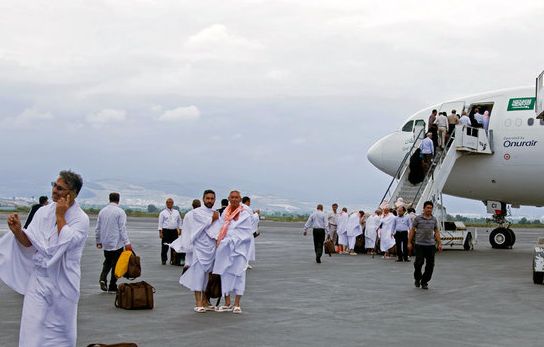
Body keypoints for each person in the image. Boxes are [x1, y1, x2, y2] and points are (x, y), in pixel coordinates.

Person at [0, 170, 89, 347]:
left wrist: (60, 216)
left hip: (64, 282)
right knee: (31, 329)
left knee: (62, 333)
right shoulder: (42, 212)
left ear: (71, 194)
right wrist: (17, 231)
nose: (54, 190)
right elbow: (29, 243)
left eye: (60, 188)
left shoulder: (81, 219)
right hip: (39, 279)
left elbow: (66, 242)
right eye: (54, 185)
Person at [173, 190, 221, 313]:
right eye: (208, 198)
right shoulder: (195, 214)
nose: (210, 201)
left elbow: (217, 231)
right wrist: (211, 220)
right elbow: (195, 230)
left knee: (207, 278)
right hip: (199, 250)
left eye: (212, 198)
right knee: (198, 276)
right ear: (203, 199)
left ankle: (205, 301)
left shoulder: (216, 214)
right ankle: (198, 302)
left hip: (211, 249)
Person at [213, 190, 256, 314]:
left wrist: (233, 239)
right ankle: (227, 302)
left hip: (239, 249)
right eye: (232, 197)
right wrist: (222, 240)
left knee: (239, 275)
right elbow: (220, 228)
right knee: (224, 273)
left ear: (240, 199)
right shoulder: (225, 213)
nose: (234, 199)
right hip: (225, 248)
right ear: (228, 198)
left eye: (237, 197)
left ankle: (237, 303)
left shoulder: (245, 214)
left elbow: (247, 233)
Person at [96, 192, 132, 292]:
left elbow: (97, 228)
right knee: (116, 264)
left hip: (106, 242)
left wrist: (98, 240)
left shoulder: (102, 211)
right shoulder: (120, 212)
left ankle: (103, 278)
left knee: (107, 261)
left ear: (109, 199)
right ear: (118, 199)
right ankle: (112, 285)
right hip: (117, 243)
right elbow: (122, 228)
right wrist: (127, 242)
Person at [408, 201, 443, 290]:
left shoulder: (434, 219)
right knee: (418, 264)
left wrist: (439, 243)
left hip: (430, 245)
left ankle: (424, 281)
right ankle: (417, 278)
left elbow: (436, 231)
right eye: (427, 208)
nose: (429, 210)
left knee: (430, 265)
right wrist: (409, 242)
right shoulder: (418, 219)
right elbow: (412, 230)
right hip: (419, 244)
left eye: (431, 208)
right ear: (424, 209)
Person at [158, 198, 182, 265]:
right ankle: (164, 260)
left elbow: (179, 221)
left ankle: (173, 260)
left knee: (174, 246)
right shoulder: (163, 213)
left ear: (173, 203)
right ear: (166, 203)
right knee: (164, 246)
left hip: (174, 231)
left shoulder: (176, 212)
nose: (169, 204)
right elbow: (160, 223)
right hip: (166, 231)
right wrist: (160, 232)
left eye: (171, 202)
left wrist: (180, 229)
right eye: (168, 202)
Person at [241, 196, 260, 268]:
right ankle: (245, 263)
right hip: (247, 232)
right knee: (247, 248)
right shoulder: (247, 209)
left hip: (240, 232)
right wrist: (257, 214)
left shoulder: (240, 207)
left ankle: (243, 263)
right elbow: (252, 220)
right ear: (247, 201)